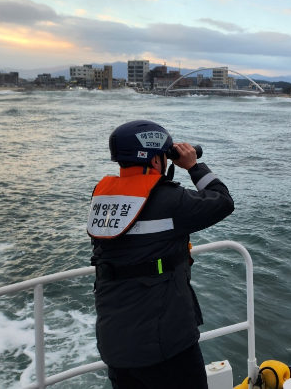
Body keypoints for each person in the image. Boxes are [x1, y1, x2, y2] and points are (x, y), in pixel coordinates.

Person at [88, 120, 234, 389]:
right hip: (165, 343)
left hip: (114, 340)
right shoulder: (170, 200)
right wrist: (193, 166)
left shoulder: (102, 196)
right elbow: (223, 201)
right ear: (156, 159)